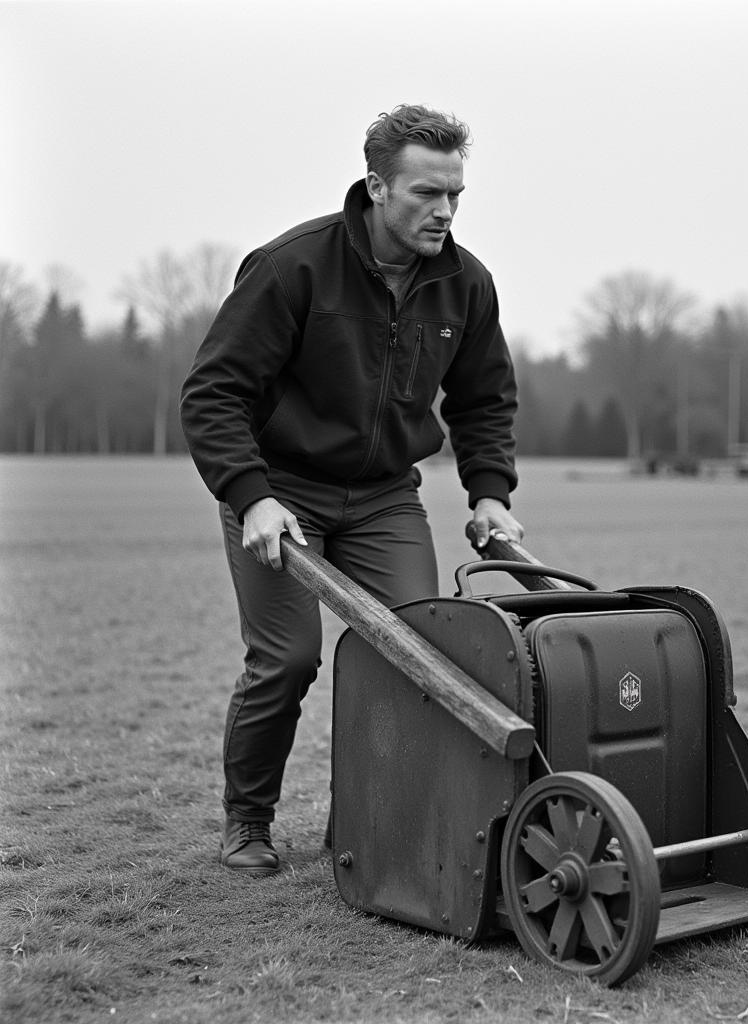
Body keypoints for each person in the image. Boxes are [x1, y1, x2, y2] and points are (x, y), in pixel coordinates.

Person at [179, 104, 523, 876]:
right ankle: (248, 820)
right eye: (426, 194)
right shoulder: (292, 267)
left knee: (421, 655)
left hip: (382, 499)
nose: (444, 211)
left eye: (456, 195)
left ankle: (374, 827)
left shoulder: (465, 285)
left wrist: (489, 492)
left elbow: (483, 398)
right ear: (376, 186)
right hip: (279, 493)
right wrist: (251, 493)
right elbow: (213, 393)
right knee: (290, 657)